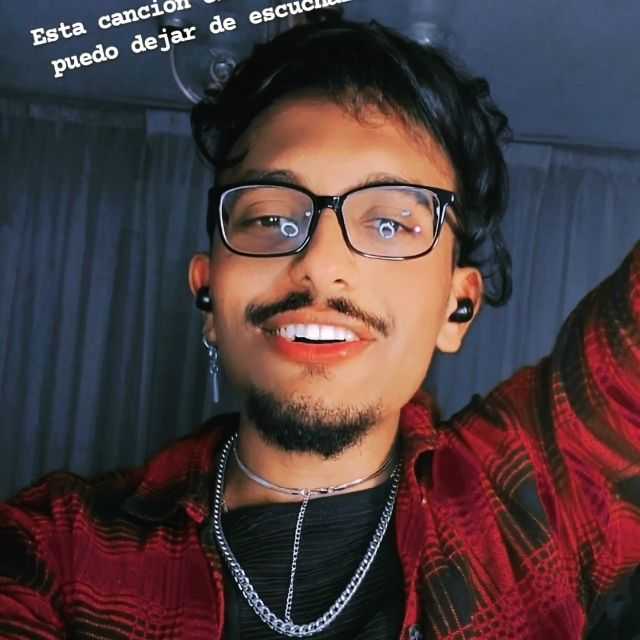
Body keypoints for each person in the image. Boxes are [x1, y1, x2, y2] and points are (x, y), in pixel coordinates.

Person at [1, 14, 639, 640]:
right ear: (208, 292)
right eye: (271, 219)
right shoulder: (53, 551)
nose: (320, 263)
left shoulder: (541, 500)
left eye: (389, 224)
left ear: (457, 306)